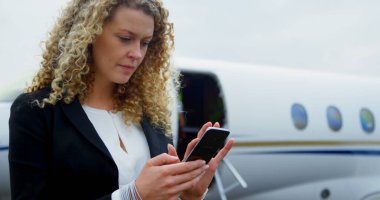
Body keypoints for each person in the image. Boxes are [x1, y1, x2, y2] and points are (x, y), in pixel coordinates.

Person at [8, 0, 234, 199]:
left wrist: (188, 196)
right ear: (89, 34)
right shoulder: (37, 111)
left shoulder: (151, 113)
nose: (137, 53)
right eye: (125, 38)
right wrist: (131, 196)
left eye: (145, 43)